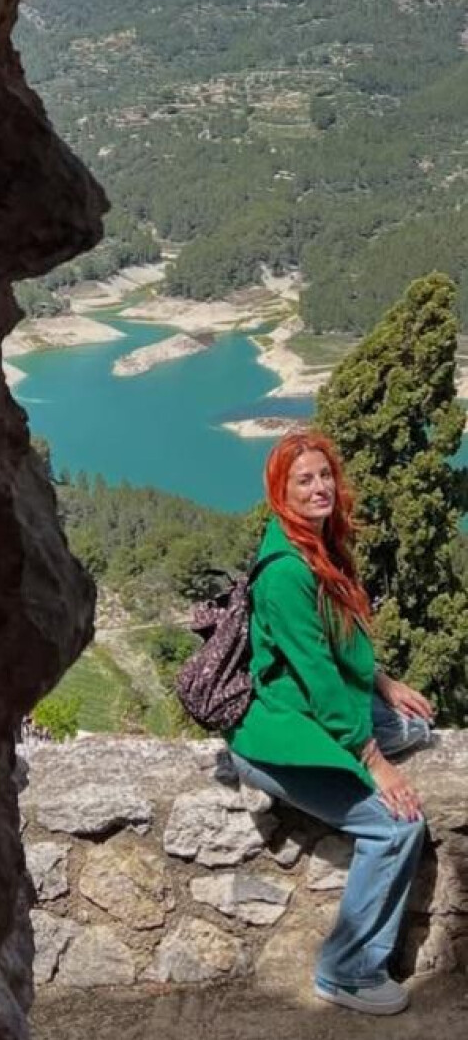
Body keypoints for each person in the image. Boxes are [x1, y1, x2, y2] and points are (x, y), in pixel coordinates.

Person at [225, 432, 433, 1016]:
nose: (320, 488)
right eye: (304, 480)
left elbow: (337, 647)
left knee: (416, 725)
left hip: (315, 711)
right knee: (397, 827)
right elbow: (318, 678)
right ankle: (347, 971)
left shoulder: (317, 544)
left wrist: (384, 684)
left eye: (325, 476)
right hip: (282, 739)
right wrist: (375, 763)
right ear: (280, 492)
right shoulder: (286, 572)